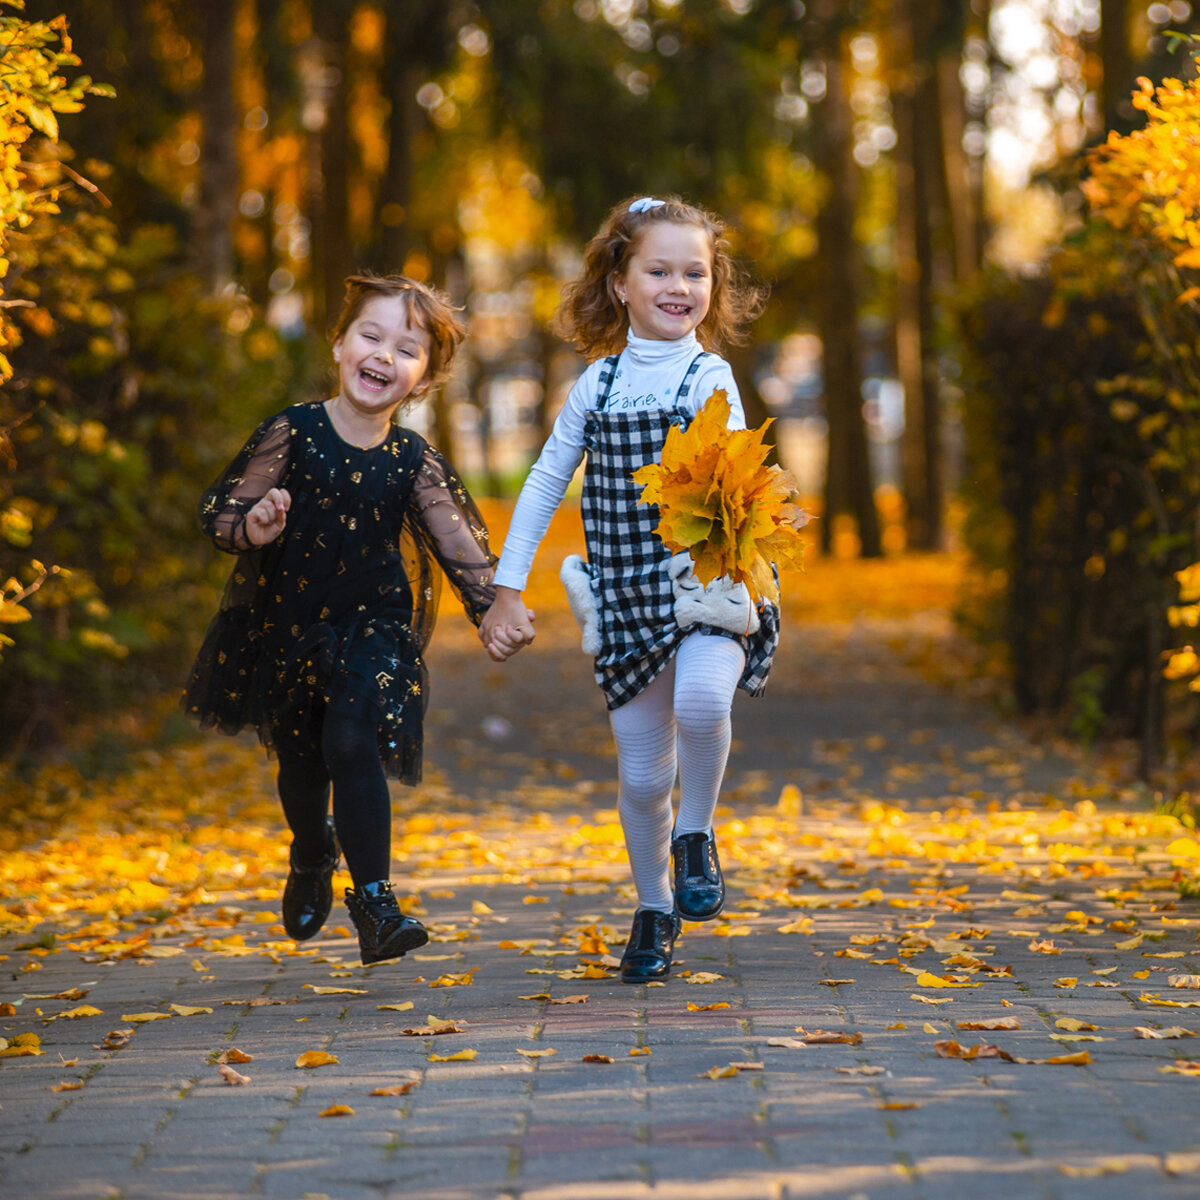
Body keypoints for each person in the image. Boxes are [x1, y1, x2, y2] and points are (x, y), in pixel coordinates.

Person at [184, 274, 529, 967]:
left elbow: (460, 545)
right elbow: (222, 513)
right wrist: (255, 524)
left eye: (407, 349)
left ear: (424, 378)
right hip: (289, 624)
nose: (384, 355)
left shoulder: (411, 459)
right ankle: (312, 853)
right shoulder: (295, 430)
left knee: (351, 736)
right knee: (303, 767)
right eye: (371, 336)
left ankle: (376, 904)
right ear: (340, 345)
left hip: (375, 625)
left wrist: (497, 605)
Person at [479, 196, 778, 983]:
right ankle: (653, 910)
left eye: (697, 272)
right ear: (619, 281)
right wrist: (507, 589)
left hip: (704, 586)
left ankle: (697, 836)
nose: (680, 286)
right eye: (660, 270)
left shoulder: (710, 373)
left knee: (705, 703)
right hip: (624, 599)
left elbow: (732, 466)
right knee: (645, 778)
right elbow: (546, 482)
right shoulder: (598, 386)